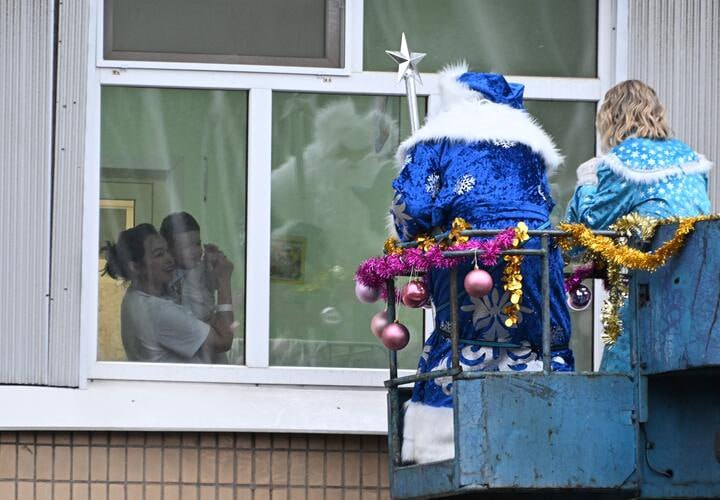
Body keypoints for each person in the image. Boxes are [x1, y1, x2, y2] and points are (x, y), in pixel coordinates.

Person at [390, 64, 574, 464]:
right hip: (534, 252)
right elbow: (542, 200)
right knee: (537, 337)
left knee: (460, 334)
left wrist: (411, 237)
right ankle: (546, 433)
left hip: (468, 253)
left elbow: (411, 206)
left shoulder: (438, 137)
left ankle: (444, 445)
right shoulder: (527, 142)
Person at [565, 79, 712, 371]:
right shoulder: (689, 159)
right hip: (697, 288)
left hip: (650, 285)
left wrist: (587, 181)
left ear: (611, 117)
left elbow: (590, 225)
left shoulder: (625, 162)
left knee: (619, 372)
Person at [102, 223, 234, 363]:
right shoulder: (160, 312)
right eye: (159, 254)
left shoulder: (135, 296)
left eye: (167, 251)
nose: (170, 259)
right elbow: (224, 341)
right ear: (135, 267)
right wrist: (223, 280)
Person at [159, 212, 236, 364]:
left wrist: (213, 261)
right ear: (168, 249)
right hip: (190, 354)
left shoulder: (202, 268)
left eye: (197, 243)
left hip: (213, 354)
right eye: (186, 246)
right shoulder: (164, 277)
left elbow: (217, 283)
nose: (195, 251)